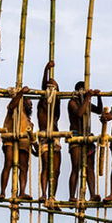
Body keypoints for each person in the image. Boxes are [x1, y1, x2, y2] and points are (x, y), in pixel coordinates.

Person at [66, 82, 104, 202]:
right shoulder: (72, 102)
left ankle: (92, 194)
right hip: (76, 136)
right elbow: (79, 113)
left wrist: (98, 96)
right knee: (76, 167)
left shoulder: (86, 103)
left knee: (90, 168)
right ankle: (72, 196)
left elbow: (98, 110)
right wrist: (88, 98)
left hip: (87, 137)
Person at [1, 89, 36, 200]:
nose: (31, 107)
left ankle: (22, 192)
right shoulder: (16, 110)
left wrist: (35, 147)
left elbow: (31, 138)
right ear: (23, 102)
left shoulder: (29, 121)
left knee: (24, 168)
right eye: (29, 104)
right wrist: (20, 93)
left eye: (31, 105)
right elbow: (11, 106)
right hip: (11, 140)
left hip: (24, 145)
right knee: (8, 164)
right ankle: (2, 192)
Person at [37, 62, 63, 201]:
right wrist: (46, 69)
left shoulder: (56, 105)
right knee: (46, 165)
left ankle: (52, 195)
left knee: (57, 170)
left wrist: (57, 87)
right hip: (45, 137)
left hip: (55, 136)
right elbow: (43, 87)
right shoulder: (42, 103)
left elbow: (57, 99)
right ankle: (44, 193)